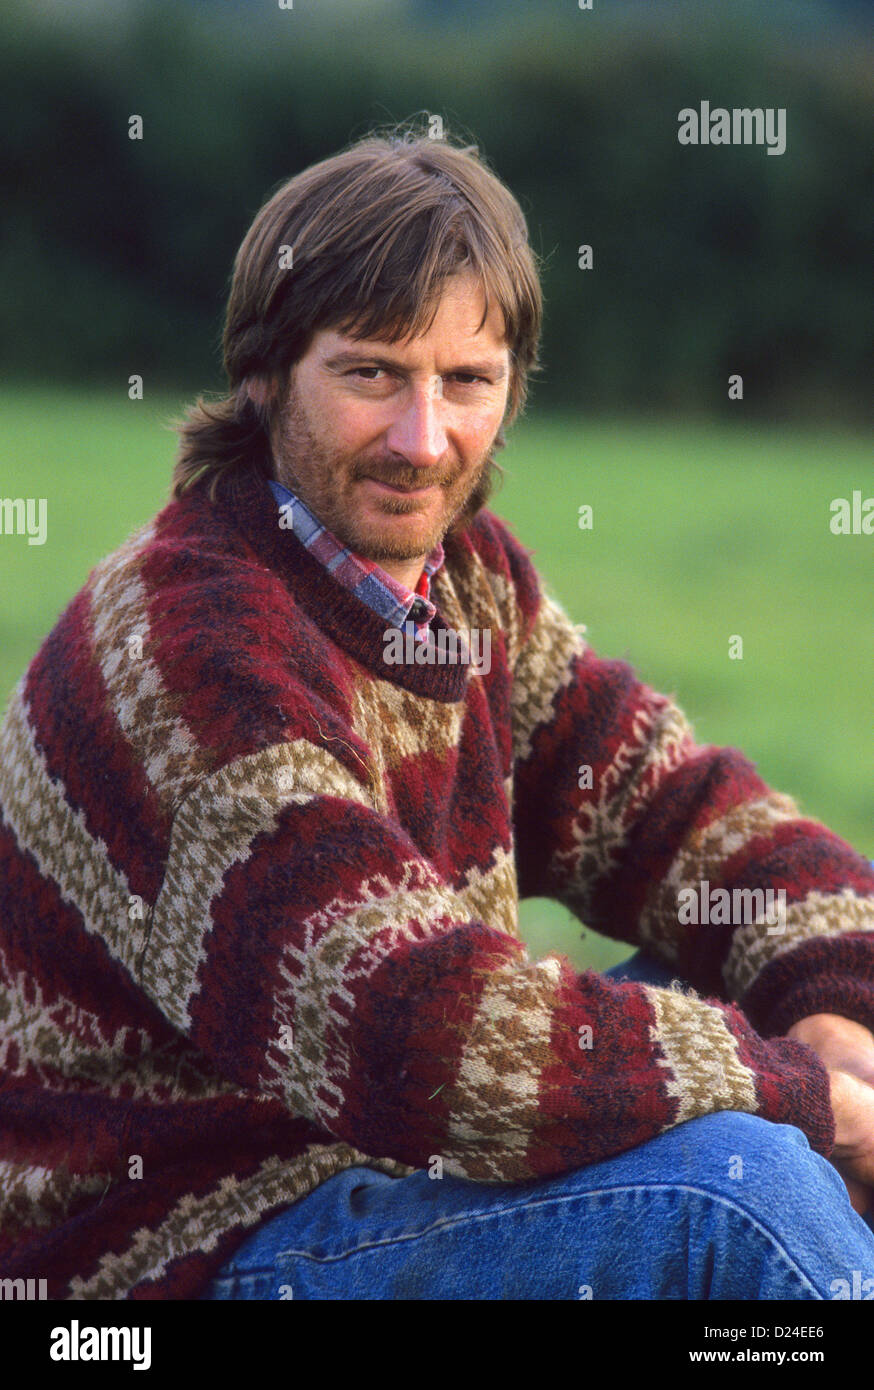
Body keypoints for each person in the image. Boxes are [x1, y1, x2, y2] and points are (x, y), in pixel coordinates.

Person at [2, 124, 874, 1302]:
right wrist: (802, 1093)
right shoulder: (189, 650)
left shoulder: (463, 583)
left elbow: (673, 811)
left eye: (467, 380)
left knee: (759, 994)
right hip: (173, 1251)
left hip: (369, 1185)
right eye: (371, 373)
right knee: (735, 1189)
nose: (425, 441)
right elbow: (423, 1035)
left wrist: (836, 1002)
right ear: (265, 372)